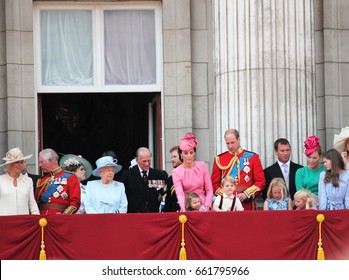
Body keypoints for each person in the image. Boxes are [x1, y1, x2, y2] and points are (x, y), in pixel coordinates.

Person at [211, 128, 265, 210]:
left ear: (238, 139)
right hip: (225, 205)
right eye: (227, 143)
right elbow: (214, 184)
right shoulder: (219, 159)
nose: (230, 146)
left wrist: (246, 194)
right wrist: (227, 196)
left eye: (233, 143)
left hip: (246, 203)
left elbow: (260, 181)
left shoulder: (253, 157)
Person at [172, 132, 213, 212]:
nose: (189, 155)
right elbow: (180, 194)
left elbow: (209, 190)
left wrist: (207, 206)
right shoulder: (176, 172)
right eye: (186, 153)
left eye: (191, 152)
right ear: (181, 154)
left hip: (203, 205)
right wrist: (185, 209)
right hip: (187, 206)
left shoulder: (202, 166)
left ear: (194, 152)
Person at [35, 148, 81, 214]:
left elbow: (75, 202)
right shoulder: (41, 180)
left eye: (41, 162)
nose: (40, 165)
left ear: (50, 160)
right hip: (42, 219)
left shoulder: (70, 177)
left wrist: (64, 215)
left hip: (61, 218)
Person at [121, 147, 168, 213]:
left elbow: (164, 194)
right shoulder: (127, 175)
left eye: (149, 161)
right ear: (137, 160)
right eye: (144, 161)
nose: (147, 164)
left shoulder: (159, 175)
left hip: (153, 215)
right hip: (134, 216)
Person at [0, 147, 39, 215]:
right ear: (10, 165)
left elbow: (32, 203)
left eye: (22, 162)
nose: (20, 165)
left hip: (23, 221)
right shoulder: (1, 180)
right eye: (17, 162)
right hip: (5, 221)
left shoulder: (28, 180)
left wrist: (37, 218)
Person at [163, 146, 181, 212]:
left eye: (175, 157)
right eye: (171, 157)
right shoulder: (171, 178)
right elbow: (168, 201)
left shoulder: (192, 174)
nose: (172, 160)